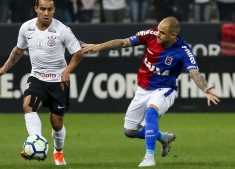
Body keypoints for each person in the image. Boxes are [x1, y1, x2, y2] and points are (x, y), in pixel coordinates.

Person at [81, 16, 220, 167]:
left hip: (165, 89)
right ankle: (163, 137)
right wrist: (99, 47)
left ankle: (149, 157)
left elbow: (194, 72)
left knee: (151, 111)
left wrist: (204, 88)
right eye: (158, 30)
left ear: (173, 35)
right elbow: (123, 42)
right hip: (143, 89)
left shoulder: (183, 50)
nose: (157, 34)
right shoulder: (151, 34)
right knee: (129, 131)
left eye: (162, 32)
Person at [0, 0, 84, 166]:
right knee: (28, 105)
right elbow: (18, 50)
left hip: (59, 82)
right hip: (38, 79)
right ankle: (36, 141)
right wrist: (3, 68)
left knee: (56, 124)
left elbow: (78, 53)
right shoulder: (26, 28)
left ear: (54, 9)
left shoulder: (62, 30)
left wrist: (67, 71)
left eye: (49, 9)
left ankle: (58, 151)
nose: (46, 13)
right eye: (42, 9)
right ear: (36, 9)